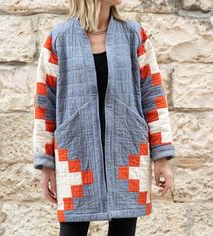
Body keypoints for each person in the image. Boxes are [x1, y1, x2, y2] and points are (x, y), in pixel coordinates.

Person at [32, 0, 175, 235]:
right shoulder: (59, 39)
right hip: (75, 156)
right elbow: (44, 103)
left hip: (127, 155)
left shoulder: (134, 35)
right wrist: (46, 163)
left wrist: (161, 156)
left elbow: (153, 95)